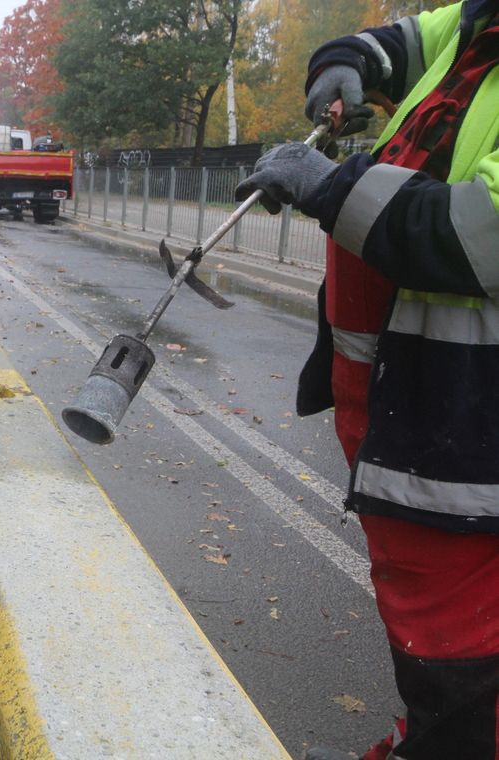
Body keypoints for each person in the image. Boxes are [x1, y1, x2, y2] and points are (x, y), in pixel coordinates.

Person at [235, 2, 499, 758]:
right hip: (418, 418)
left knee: (463, 667)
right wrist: (340, 67)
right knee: (432, 651)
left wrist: (330, 187)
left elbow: (482, 237)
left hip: (474, 437)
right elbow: (393, 43)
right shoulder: (478, 21)